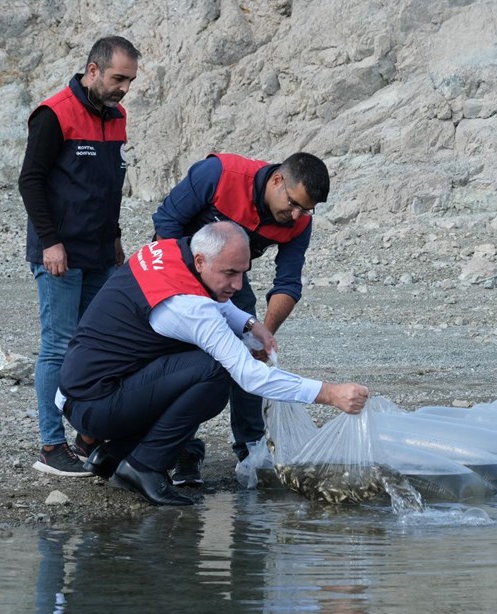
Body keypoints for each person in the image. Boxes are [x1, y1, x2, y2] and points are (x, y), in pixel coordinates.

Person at [58, 221, 369, 506]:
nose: (237, 284)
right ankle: (144, 466)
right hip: (96, 404)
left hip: (83, 391)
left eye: (243, 272)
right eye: (229, 273)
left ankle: (113, 454)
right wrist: (329, 393)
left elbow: (212, 297)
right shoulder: (190, 309)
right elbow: (250, 377)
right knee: (215, 371)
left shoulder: (170, 250)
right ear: (201, 261)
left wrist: (249, 324)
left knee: (203, 363)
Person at [151, 151, 328, 485]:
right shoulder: (220, 174)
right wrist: (188, 294)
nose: (295, 216)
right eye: (292, 205)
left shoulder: (299, 220)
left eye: (305, 209)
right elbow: (166, 222)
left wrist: (264, 335)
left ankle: (251, 447)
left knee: (249, 351)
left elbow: (287, 282)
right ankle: (181, 451)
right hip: (179, 264)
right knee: (181, 359)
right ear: (277, 180)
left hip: (229, 274)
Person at [19, 36, 141, 477]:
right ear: (92, 70)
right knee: (58, 346)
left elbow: (108, 187)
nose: (124, 87)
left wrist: (115, 240)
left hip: (99, 252)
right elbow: (30, 181)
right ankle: (51, 447)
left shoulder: (118, 116)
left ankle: (87, 436)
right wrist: (50, 242)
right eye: (117, 78)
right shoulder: (54, 114)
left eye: (129, 79)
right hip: (59, 255)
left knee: (98, 345)